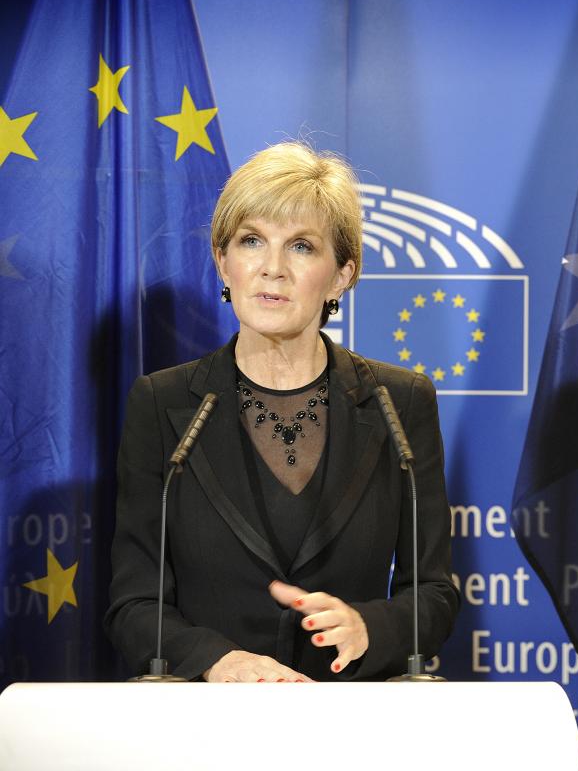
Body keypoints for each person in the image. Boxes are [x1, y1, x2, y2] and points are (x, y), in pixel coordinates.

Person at [106, 142, 459, 682]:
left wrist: (370, 627)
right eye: (252, 241)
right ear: (223, 263)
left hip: (348, 725)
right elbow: (134, 603)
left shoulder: (399, 401)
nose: (272, 269)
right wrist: (215, 660)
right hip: (203, 733)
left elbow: (433, 594)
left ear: (342, 274)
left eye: (301, 246)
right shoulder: (163, 404)